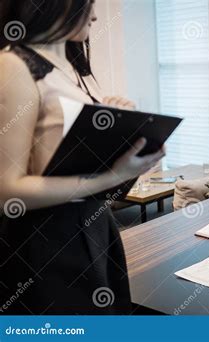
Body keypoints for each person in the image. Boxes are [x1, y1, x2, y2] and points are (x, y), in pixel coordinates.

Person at [0, 0, 164, 314]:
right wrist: (110, 176)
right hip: (47, 246)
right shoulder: (12, 65)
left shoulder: (73, 72)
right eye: (86, 3)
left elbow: (95, 181)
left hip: (97, 230)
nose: (95, 13)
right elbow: (6, 191)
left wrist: (125, 138)